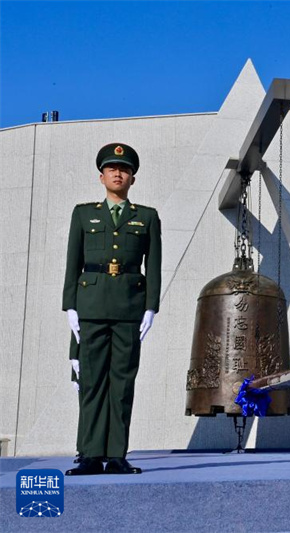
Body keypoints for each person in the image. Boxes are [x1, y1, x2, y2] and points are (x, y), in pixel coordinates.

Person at [63, 143, 161, 475]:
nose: (118, 173)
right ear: (101, 175)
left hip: (129, 308)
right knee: (91, 381)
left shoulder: (146, 217)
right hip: (90, 305)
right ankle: (90, 454)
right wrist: (70, 306)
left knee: (122, 382)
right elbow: (72, 263)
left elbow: (154, 266)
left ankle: (116, 454)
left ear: (132, 177)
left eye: (124, 169)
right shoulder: (83, 213)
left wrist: (151, 307)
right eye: (111, 169)